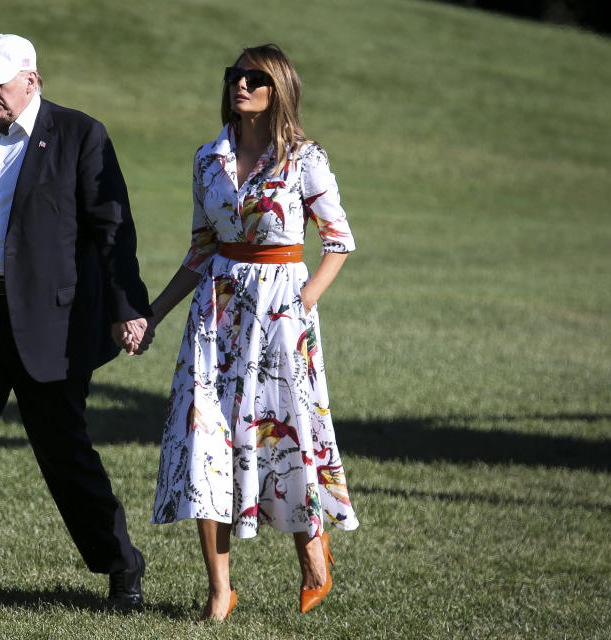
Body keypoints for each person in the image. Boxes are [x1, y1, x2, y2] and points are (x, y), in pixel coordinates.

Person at [141, 43, 359, 620]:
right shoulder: (207, 159)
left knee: (284, 438)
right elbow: (200, 249)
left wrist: (302, 305)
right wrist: (155, 313)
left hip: (280, 318)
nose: (241, 84)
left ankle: (312, 552)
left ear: (278, 88)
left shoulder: (304, 159)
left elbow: (337, 241)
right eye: (234, 75)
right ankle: (220, 593)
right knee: (205, 444)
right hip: (213, 322)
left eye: (254, 77)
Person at [0, 33, 151, 608]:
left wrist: (127, 307)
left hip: (51, 327)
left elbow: (112, 230)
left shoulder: (81, 134)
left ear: (32, 79)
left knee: (63, 455)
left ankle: (122, 564)